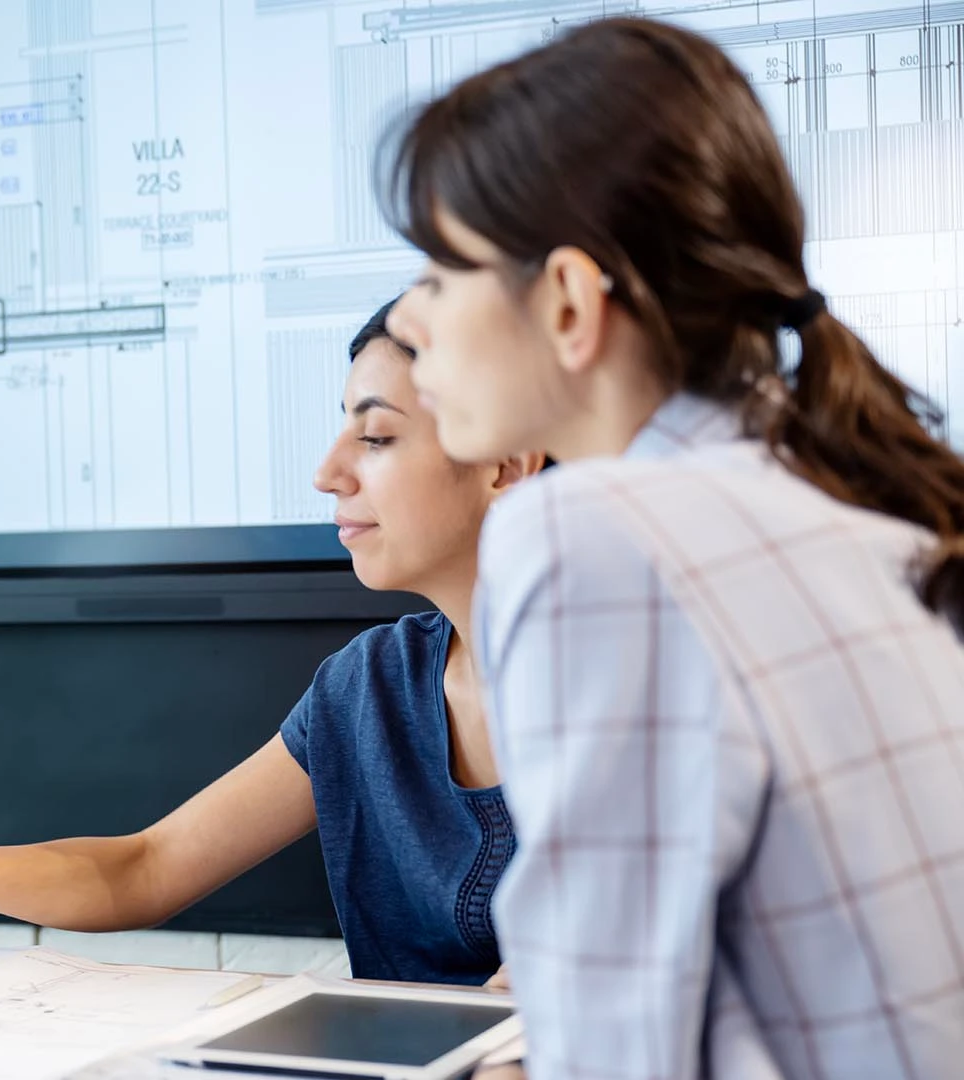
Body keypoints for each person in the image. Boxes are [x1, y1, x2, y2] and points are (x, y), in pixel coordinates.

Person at [381, 17, 964, 1078]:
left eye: (438, 273)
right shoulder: (858, 504)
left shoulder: (591, 535)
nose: (412, 323)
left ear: (567, 302)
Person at [0, 300, 545, 986]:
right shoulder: (369, 687)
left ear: (506, 461)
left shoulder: (638, 696)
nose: (329, 473)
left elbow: (554, 1001)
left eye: (376, 437)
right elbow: (146, 868)